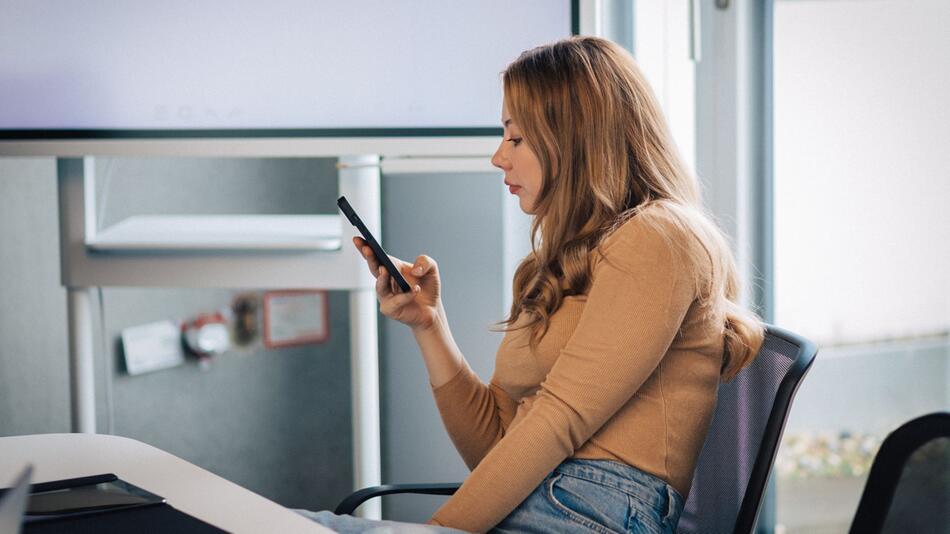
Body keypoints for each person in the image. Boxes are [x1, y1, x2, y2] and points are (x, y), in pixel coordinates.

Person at [302, 35, 764, 533]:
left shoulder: (661, 236)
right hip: (544, 503)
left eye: (516, 139)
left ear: (577, 137)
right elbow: (495, 444)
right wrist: (429, 325)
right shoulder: (564, 261)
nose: (498, 158)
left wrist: (438, 531)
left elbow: (559, 418)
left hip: (592, 515)